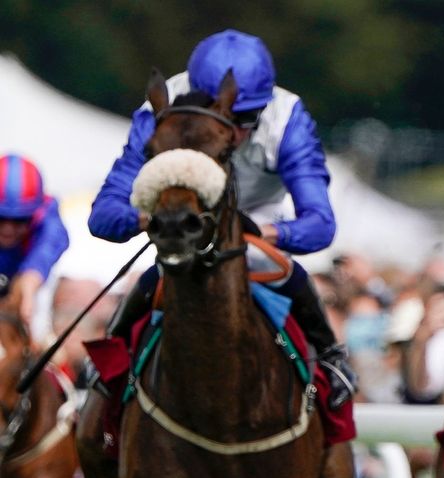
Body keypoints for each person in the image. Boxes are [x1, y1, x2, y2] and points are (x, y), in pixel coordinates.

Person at [87, 29, 355, 408]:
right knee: (158, 273)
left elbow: (320, 223)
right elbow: (103, 215)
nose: (237, 132)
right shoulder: (160, 112)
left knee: (273, 264)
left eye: (247, 118)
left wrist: (266, 231)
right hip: (183, 218)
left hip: (258, 220)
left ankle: (331, 360)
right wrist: (151, 220)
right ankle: (108, 372)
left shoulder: (286, 116)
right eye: (226, 118)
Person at [0, 154, 69, 325]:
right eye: (0, 218)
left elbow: (49, 245)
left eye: (19, 220)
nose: (8, 229)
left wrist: (29, 283)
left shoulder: (48, 220)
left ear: (36, 213)